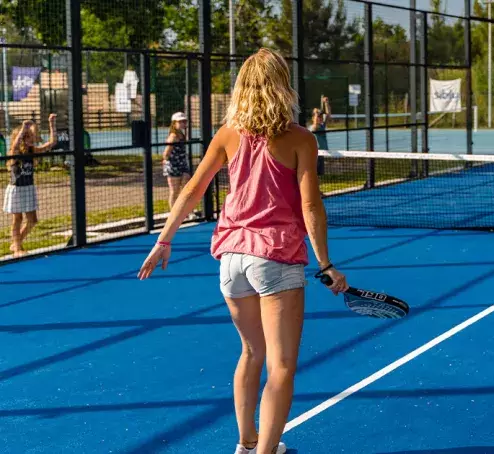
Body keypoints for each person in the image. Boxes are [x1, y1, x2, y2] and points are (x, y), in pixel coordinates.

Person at [136, 48, 348, 454]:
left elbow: (193, 189)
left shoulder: (228, 133)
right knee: (281, 365)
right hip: (274, 257)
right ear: (282, 86)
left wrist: (164, 240)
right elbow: (310, 205)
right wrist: (326, 264)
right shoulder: (301, 137)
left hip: (231, 260)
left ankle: (247, 443)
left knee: (251, 351)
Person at [5, 114, 57, 257]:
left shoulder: (32, 151)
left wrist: (51, 124)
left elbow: (52, 143)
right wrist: (23, 129)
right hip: (17, 189)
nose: (30, 138)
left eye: (30, 136)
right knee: (18, 219)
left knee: (33, 220)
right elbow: (15, 145)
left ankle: (15, 243)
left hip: (28, 188)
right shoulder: (14, 153)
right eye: (26, 136)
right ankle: (17, 249)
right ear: (21, 137)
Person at [163, 112, 192, 210]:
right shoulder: (173, 136)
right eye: (180, 122)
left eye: (184, 121)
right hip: (173, 166)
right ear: (174, 123)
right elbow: (166, 154)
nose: (183, 123)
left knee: (186, 188)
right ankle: (173, 213)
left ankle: (185, 211)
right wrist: (166, 162)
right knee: (174, 191)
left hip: (182, 165)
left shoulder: (182, 135)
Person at [309, 96, 330, 198]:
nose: (320, 119)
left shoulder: (322, 126)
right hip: (314, 154)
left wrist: (326, 103)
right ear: (313, 118)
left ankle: (318, 191)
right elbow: (314, 126)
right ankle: (315, 192)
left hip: (322, 153)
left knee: (319, 175)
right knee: (314, 174)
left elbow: (328, 114)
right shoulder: (312, 128)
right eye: (318, 117)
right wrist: (316, 115)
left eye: (320, 117)